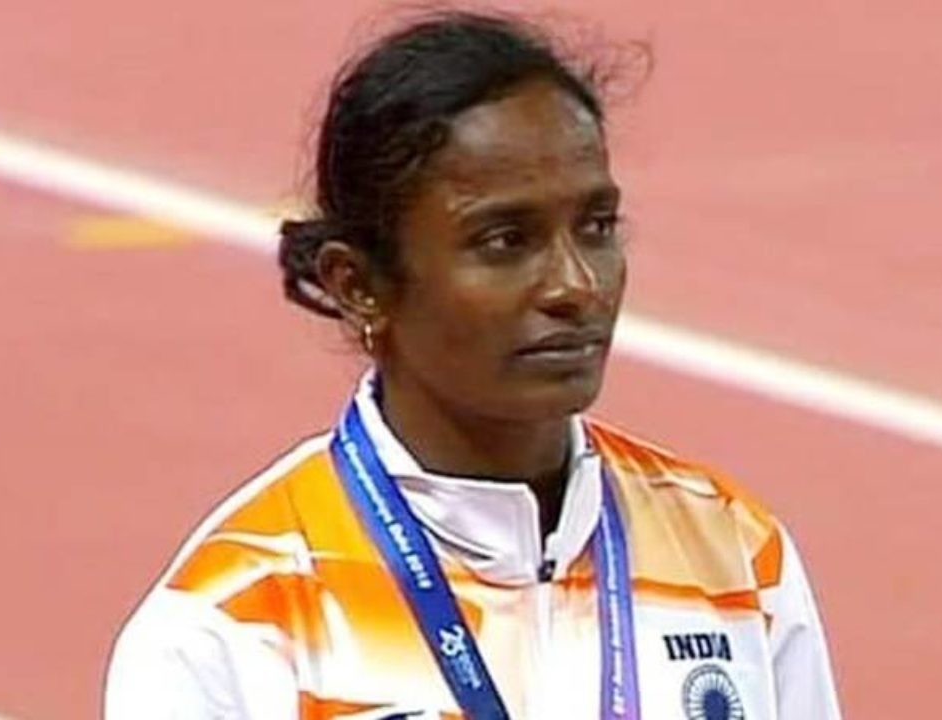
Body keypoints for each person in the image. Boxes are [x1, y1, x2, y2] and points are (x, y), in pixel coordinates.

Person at [105, 10, 841, 720]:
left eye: (596, 226)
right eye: (505, 240)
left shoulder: (732, 554)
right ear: (358, 284)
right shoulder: (236, 623)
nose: (576, 285)